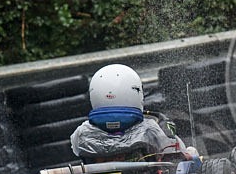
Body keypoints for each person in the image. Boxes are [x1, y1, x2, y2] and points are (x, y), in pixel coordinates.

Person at [70, 64, 199, 163]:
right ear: (135, 91)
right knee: (192, 152)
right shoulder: (151, 128)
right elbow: (176, 156)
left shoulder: (81, 133)